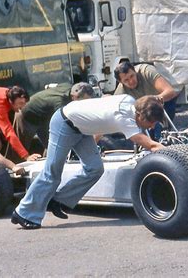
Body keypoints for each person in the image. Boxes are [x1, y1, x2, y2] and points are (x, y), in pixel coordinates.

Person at [11, 95, 164, 229]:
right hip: (64, 123)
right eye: (151, 122)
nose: (152, 126)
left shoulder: (130, 100)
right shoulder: (123, 119)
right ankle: (23, 213)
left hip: (82, 129)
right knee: (52, 172)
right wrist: (173, 153)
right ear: (140, 116)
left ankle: (59, 200)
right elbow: (151, 145)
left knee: (95, 168)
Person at [11, 82, 94, 159]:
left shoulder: (67, 86)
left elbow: (50, 85)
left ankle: (49, 163)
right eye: (83, 101)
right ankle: (13, 168)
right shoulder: (60, 103)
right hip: (26, 113)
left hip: (44, 116)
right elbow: (65, 125)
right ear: (74, 97)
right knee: (19, 148)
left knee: (53, 145)